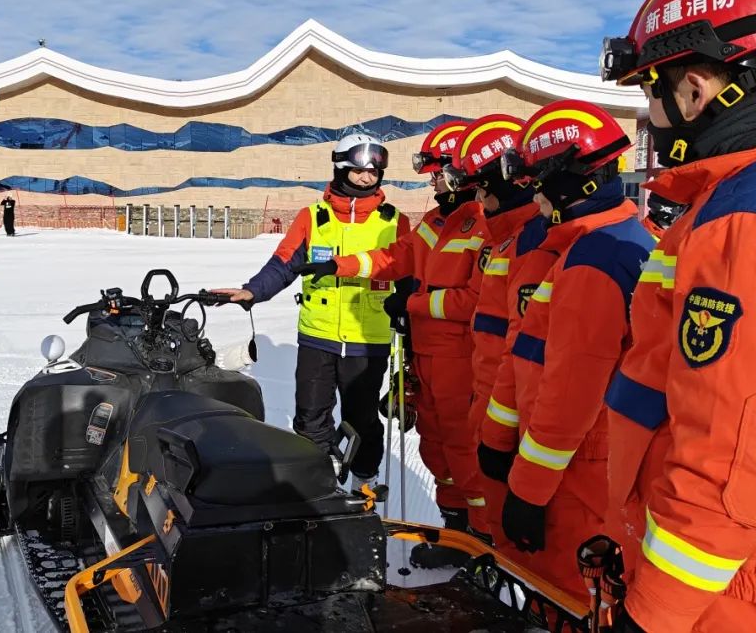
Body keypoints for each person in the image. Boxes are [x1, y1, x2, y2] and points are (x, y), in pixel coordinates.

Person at [599, 0, 756, 632]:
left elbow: (731, 467)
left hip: (744, 594)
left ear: (696, 90)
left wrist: (654, 615)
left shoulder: (748, 225)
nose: (652, 114)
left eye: (651, 92)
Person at [476, 100, 654, 599]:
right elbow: (529, 351)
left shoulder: (594, 260)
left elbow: (570, 390)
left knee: (569, 597)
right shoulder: (611, 243)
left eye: (538, 185)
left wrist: (528, 489)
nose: (534, 198)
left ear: (568, 184)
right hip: (578, 463)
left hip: (576, 474)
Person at [298, 120, 495, 565]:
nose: (433, 182)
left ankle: (483, 544)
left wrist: (415, 304)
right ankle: (455, 532)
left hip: (462, 358)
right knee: (436, 447)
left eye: (439, 174)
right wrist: (341, 267)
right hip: (425, 356)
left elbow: (477, 300)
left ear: (463, 172)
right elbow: (395, 257)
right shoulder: (435, 220)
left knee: (464, 450)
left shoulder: (482, 224)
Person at [211, 134, 410, 493]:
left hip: (370, 340)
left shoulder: (395, 222)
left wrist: (410, 316)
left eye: (374, 170)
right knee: (310, 414)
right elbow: (283, 264)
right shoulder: (313, 217)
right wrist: (254, 290)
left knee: (362, 419)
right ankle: (320, 479)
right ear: (341, 166)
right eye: (361, 169)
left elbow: (410, 274)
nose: (368, 177)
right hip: (318, 336)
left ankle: (365, 480)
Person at [439, 115, 542, 539]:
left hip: (520, 423)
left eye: (483, 187)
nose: (479, 199)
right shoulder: (506, 239)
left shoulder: (535, 245)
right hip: (491, 404)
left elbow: (528, 355)